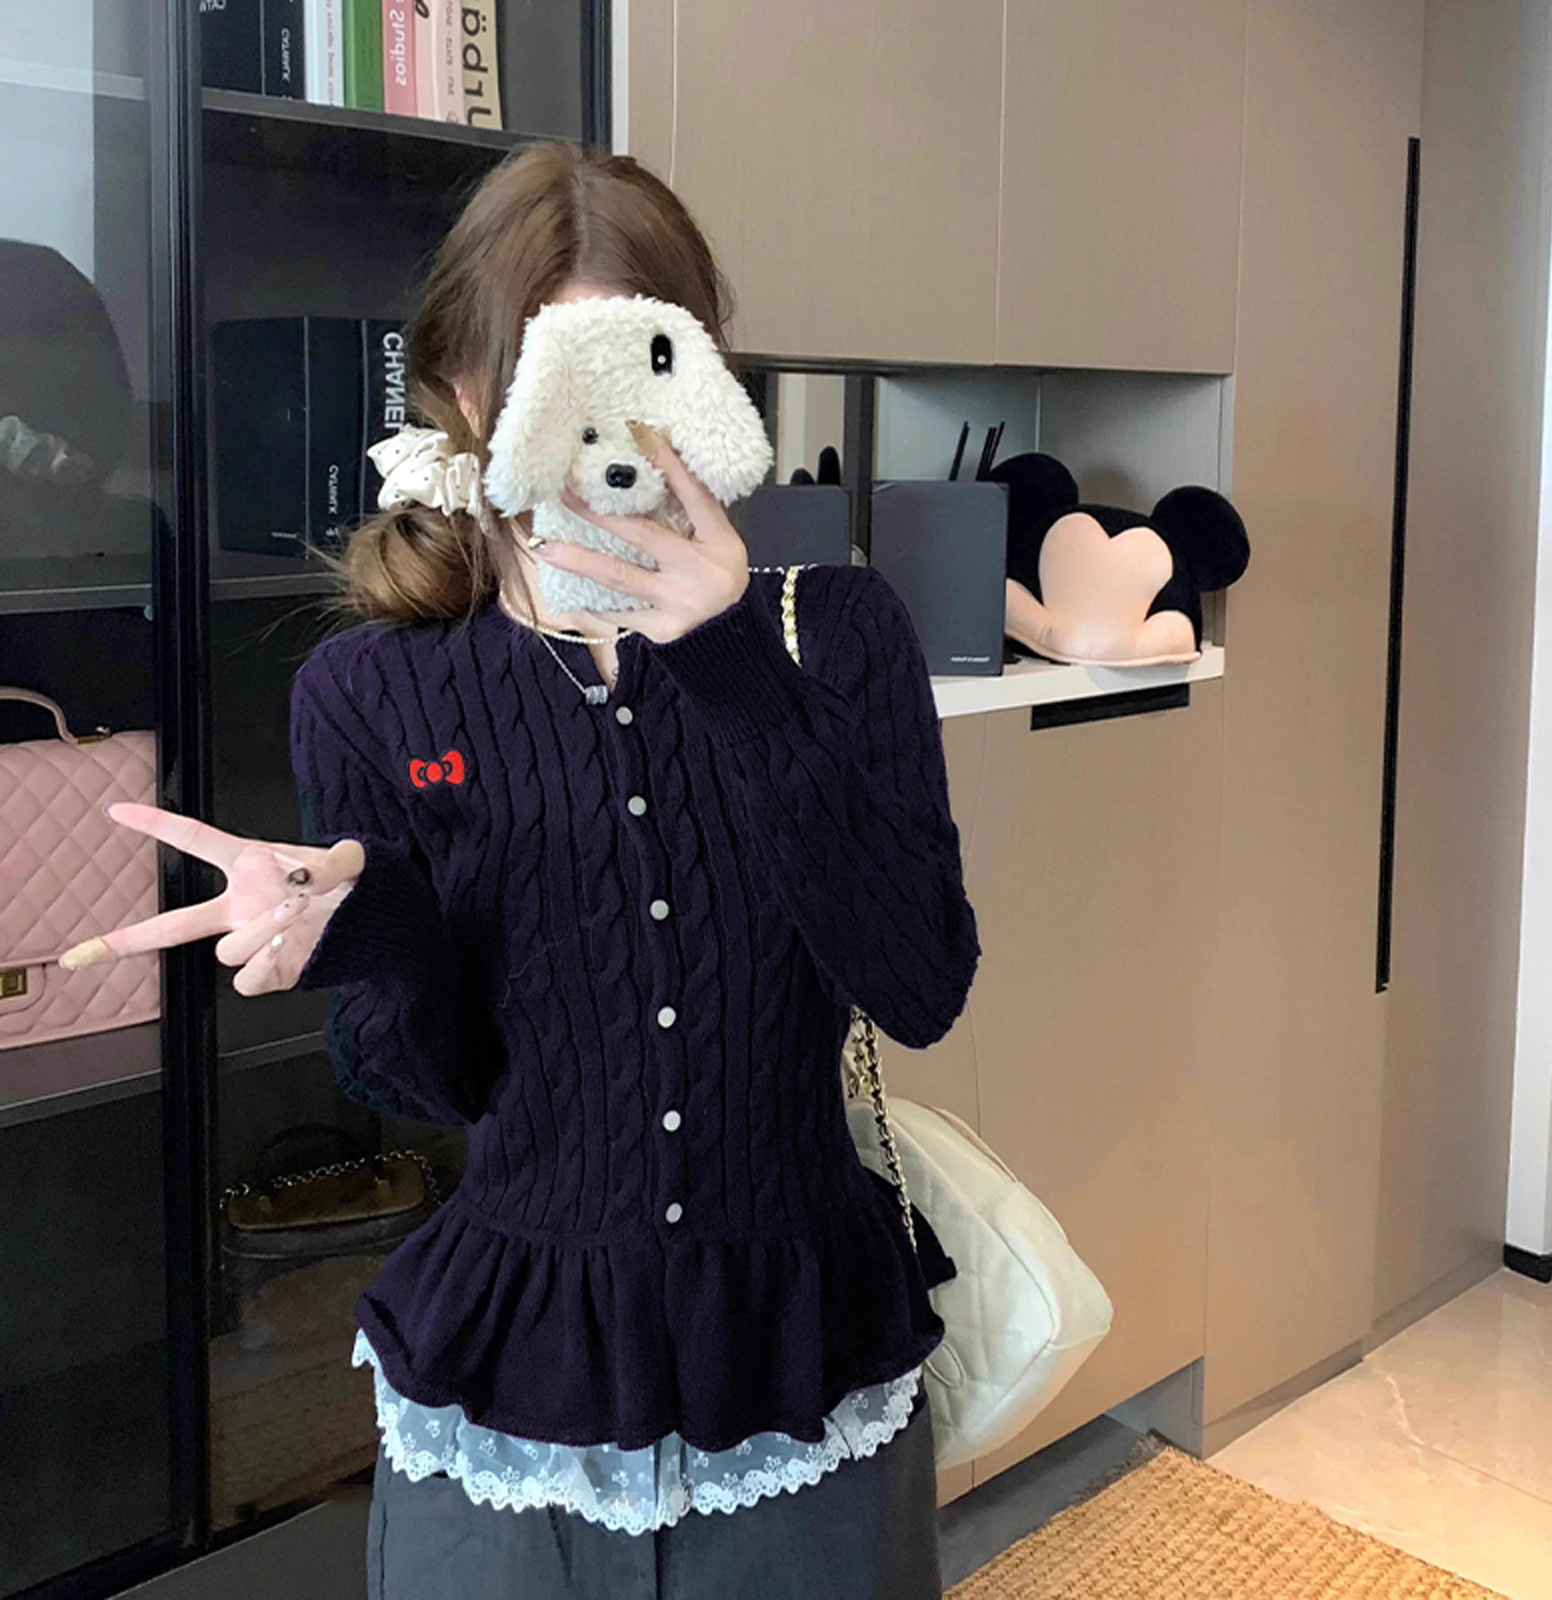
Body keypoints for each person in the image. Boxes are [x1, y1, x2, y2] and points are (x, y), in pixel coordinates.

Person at [60, 141, 982, 1599]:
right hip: (511, 1376)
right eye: (546, 368)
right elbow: (424, 1083)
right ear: (459, 388)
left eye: (643, 360)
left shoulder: (837, 630)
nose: (600, 420)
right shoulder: (375, 689)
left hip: (806, 1358)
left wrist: (734, 667)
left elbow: (920, 985)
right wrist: (371, 928)